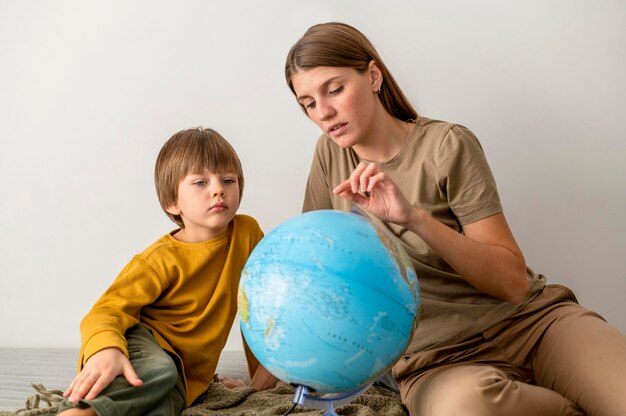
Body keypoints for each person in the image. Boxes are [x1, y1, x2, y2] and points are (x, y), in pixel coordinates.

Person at [284, 22, 626, 416]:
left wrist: (413, 218)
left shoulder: (447, 145)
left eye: (335, 89)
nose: (324, 112)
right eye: (308, 103)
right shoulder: (330, 157)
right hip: (436, 362)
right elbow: (311, 276)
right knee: (472, 407)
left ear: (373, 76)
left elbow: (512, 283)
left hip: (532, 325)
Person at [57, 128, 276, 416]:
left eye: (228, 180)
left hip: (185, 378)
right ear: (172, 202)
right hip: (144, 344)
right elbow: (104, 312)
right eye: (200, 182)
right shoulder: (159, 260)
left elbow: (256, 311)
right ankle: (77, 412)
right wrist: (106, 349)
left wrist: (256, 387)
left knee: (167, 406)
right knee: (158, 370)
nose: (218, 189)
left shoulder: (247, 233)